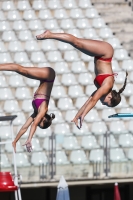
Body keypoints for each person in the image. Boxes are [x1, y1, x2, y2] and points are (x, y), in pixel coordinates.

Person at [36, 30, 128, 129]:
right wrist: (84, 115)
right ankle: (50, 34)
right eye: (105, 103)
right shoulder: (107, 86)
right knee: (77, 42)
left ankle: (50, 35)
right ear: (110, 97)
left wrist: (77, 116)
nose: (102, 103)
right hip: (105, 53)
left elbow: (88, 101)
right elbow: (93, 100)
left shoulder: (103, 89)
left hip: (100, 55)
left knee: (77, 43)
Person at [0, 63, 55, 152]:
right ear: (44, 118)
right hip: (49, 75)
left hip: (45, 78)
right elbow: (34, 124)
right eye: (39, 121)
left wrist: (15, 141)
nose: (36, 120)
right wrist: (29, 139)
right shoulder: (43, 109)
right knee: (20, 69)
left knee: (20, 70)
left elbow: (24, 127)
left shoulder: (36, 113)